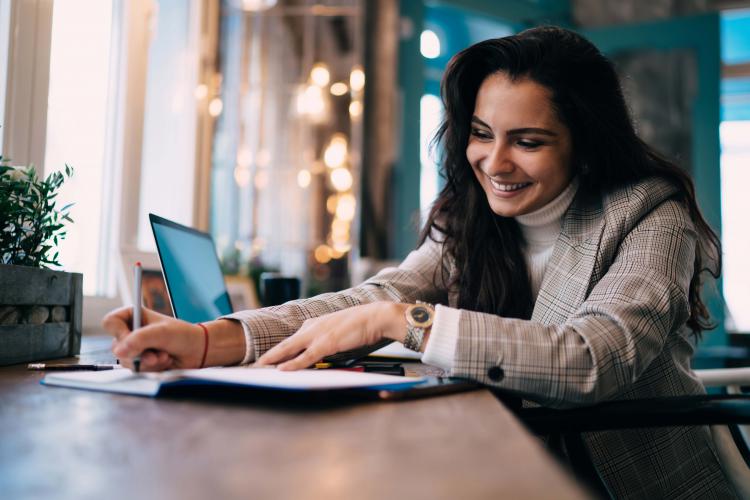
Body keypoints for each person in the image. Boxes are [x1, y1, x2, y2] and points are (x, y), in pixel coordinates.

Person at [104, 26, 731, 498]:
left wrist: (406, 322)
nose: (494, 161)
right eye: (482, 133)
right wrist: (210, 340)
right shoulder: (469, 215)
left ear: (587, 145)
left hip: (633, 484)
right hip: (504, 467)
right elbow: (369, 298)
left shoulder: (653, 216)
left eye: (529, 142)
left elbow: (595, 357)